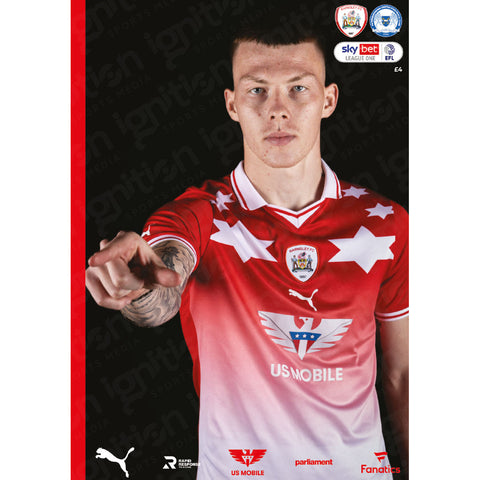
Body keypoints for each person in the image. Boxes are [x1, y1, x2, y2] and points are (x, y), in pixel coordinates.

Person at [86, 19, 408, 480]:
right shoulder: (198, 214)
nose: (277, 110)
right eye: (257, 91)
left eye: (298, 88)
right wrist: (138, 286)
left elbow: (405, 375)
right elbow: (162, 284)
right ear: (232, 104)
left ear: (328, 99)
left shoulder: (387, 224)